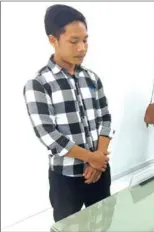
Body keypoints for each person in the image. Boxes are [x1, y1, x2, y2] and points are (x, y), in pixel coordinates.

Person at [23, 4, 113, 222]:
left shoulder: (92, 77)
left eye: (85, 40)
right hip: (66, 178)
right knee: (68, 226)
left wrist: (98, 160)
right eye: (74, 41)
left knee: (105, 222)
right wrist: (92, 158)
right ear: (53, 40)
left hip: (100, 171)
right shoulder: (39, 84)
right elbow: (49, 135)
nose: (82, 47)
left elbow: (106, 118)